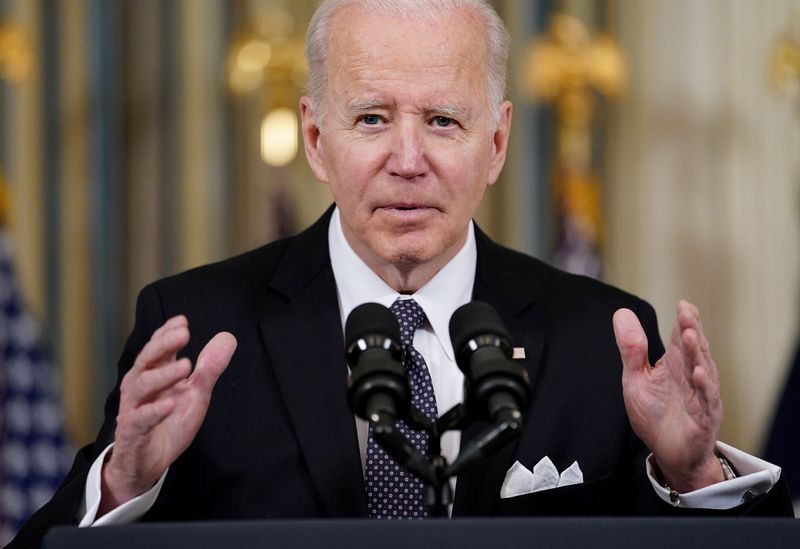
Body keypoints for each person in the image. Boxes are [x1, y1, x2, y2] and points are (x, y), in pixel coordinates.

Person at [11, 0, 792, 545]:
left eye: (444, 120)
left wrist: (692, 472)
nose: (408, 161)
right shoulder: (197, 329)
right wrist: (122, 482)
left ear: (496, 142)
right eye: (373, 118)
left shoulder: (601, 336)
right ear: (317, 139)